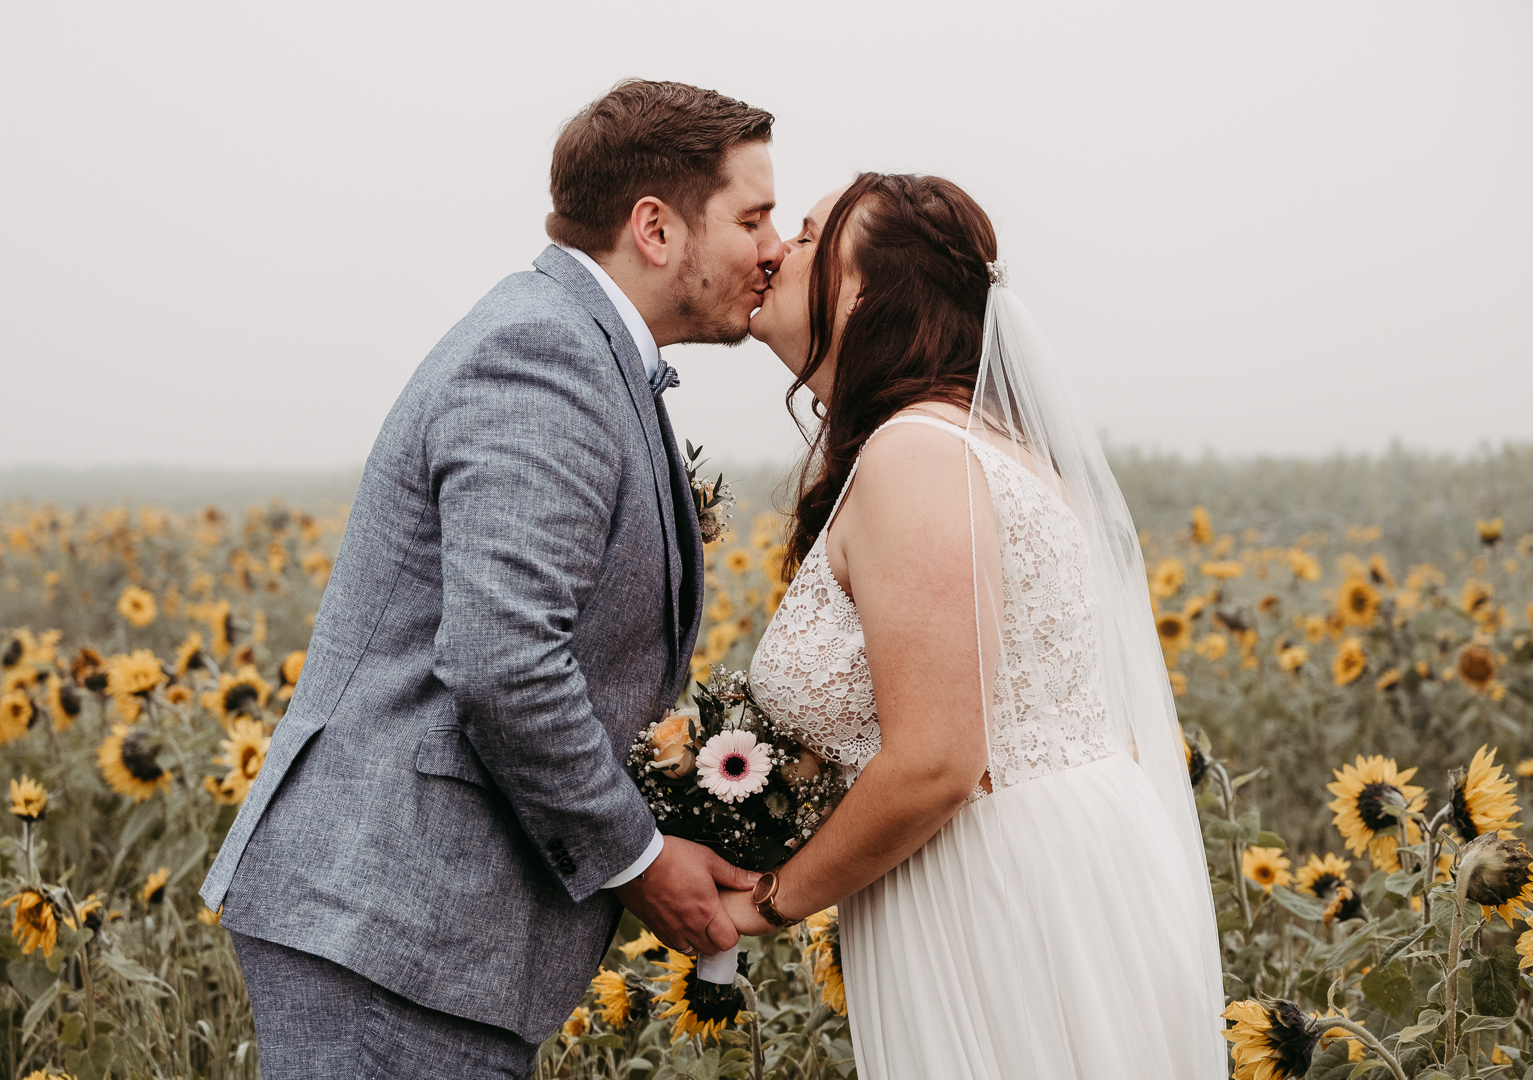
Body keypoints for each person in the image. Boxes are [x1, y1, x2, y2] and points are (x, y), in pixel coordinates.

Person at [198, 80, 783, 1079]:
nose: (772, 248)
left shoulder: (585, 349)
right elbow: (504, 659)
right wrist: (638, 860)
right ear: (654, 228)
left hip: (419, 935)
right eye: (753, 217)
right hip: (392, 932)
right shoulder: (543, 356)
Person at [727, 173, 1227, 1077]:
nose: (775, 252)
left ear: (864, 289)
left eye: (805, 236)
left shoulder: (917, 454)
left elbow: (936, 759)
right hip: (1046, 867)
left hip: (998, 890)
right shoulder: (977, 442)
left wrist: (765, 901)